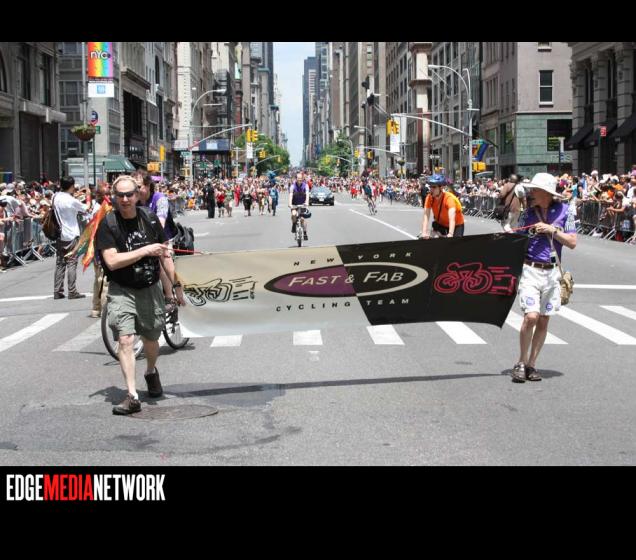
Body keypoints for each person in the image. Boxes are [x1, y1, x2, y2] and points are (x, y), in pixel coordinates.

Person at [95, 175, 185, 415]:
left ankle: (151, 371)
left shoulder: (149, 218)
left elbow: (165, 255)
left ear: (137, 195)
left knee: (151, 339)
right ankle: (132, 395)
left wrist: (176, 285)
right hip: (122, 289)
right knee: (125, 340)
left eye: (129, 194)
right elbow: (112, 261)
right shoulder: (108, 223)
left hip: (149, 287)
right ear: (114, 198)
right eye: (120, 195)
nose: (125, 199)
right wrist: (145, 250)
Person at [512, 173, 577, 383]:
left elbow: (572, 242)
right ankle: (521, 362)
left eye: (535, 190)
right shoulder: (527, 214)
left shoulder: (565, 211)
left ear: (546, 193)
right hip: (530, 269)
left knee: (543, 319)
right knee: (531, 316)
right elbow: (516, 239)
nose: (531, 193)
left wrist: (552, 230)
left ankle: (532, 364)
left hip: (552, 273)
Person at [53, 176, 89, 299]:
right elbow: (86, 208)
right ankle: (72, 291)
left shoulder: (55, 197)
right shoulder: (71, 200)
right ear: (72, 186)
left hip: (60, 233)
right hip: (72, 234)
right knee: (72, 262)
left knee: (60, 263)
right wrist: (88, 196)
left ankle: (57, 291)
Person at [90, 181, 112, 318]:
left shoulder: (103, 207)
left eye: (109, 193)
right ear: (99, 195)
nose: (108, 196)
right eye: (106, 194)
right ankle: (105, 309)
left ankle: (96, 308)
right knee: (104, 280)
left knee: (99, 279)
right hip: (101, 247)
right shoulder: (100, 209)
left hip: (100, 246)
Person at [420, 174, 465, 238]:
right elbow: (426, 216)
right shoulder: (429, 197)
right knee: (434, 237)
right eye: (430, 187)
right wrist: (424, 232)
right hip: (441, 224)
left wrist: (450, 234)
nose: (431, 189)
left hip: (456, 224)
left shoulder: (449, 198)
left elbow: (452, 218)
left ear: (441, 188)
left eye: (434, 187)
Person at [288, 172, 309, 240]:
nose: (299, 180)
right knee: (294, 214)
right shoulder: (292, 186)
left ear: (302, 179)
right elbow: (291, 195)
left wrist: (307, 202)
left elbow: (307, 194)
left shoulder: (305, 185)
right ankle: (294, 225)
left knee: (302, 219)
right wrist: (290, 204)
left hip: (303, 204)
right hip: (294, 204)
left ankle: (305, 233)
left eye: (301, 178)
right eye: (298, 178)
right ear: (296, 179)